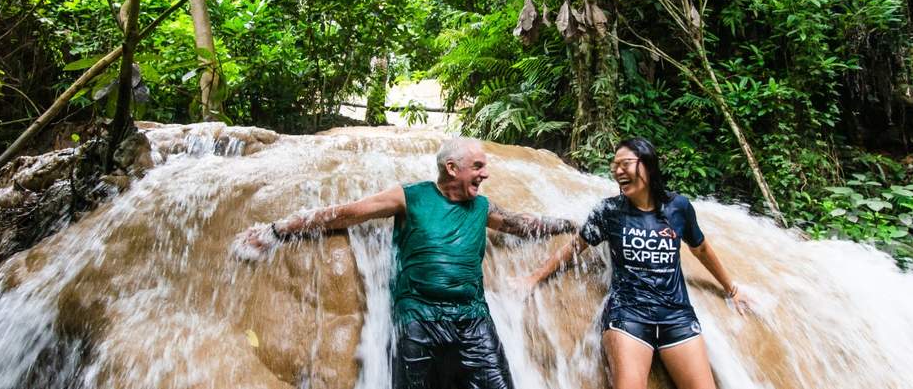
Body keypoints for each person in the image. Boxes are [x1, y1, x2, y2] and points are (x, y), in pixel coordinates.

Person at [233, 137, 573, 389]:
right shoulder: (409, 196)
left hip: (472, 319)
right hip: (417, 319)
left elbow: (520, 224)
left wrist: (569, 222)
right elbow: (346, 214)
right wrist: (277, 230)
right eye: (478, 166)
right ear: (452, 168)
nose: (485, 173)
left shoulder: (483, 207)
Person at [517, 137, 747, 389]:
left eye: (625, 163)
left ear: (648, 165)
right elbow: (574, 247)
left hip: (676, 315)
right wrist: (533, 278)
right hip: (628, 315)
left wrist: (731, 289)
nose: (617, 171)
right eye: (614, 165)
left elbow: (700, 248)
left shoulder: (678, 207)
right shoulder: (608, 211)